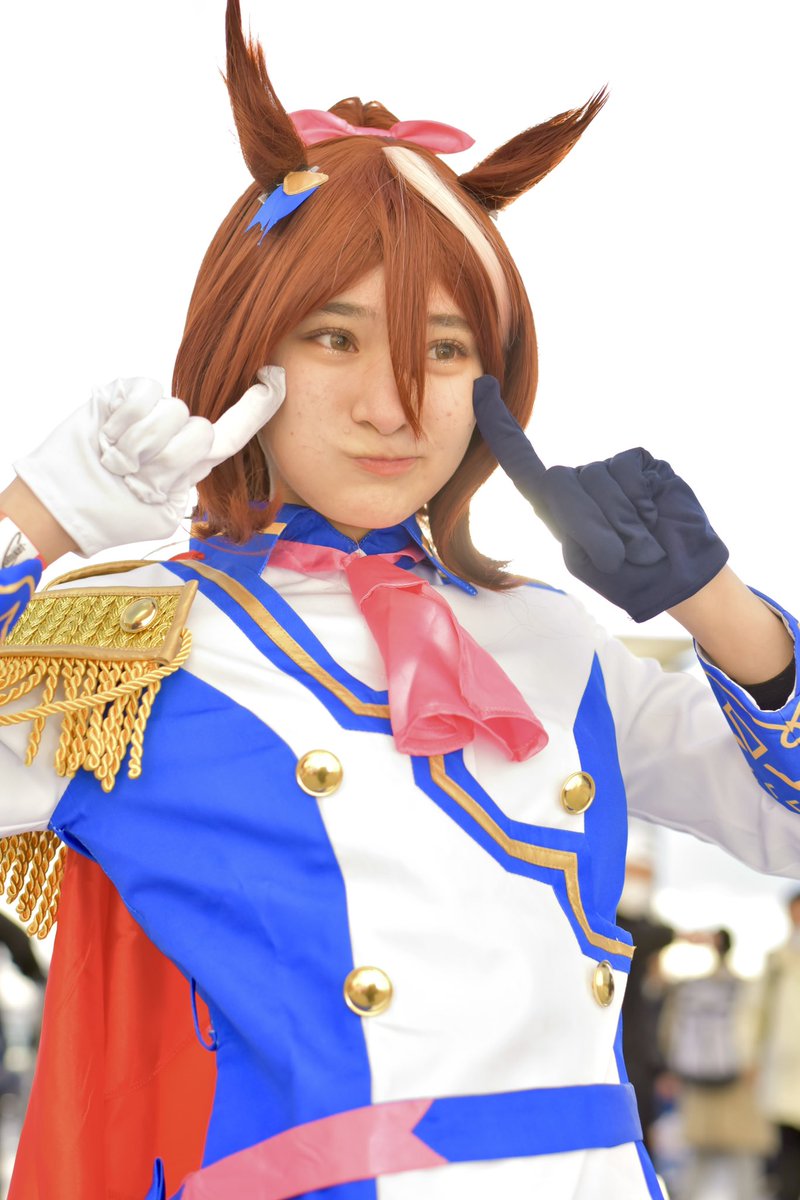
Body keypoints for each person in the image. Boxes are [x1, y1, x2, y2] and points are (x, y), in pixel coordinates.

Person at [0, 2, 799, 1197]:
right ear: (242, 351)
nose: (394, 405)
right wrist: (36, 518)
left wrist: (713, 603)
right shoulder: (126, 649)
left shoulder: (551, 635)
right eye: (335, 339)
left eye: (444, 348)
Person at [661, 928, 773, 1200]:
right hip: (735, 1079)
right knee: (740, 1155)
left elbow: (670, 1032)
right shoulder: (741, 987)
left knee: (701, 1155)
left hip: (703, 1078)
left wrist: (674, 1069)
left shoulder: (689, 988)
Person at [759, 892, 800, 1200]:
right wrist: (750, 1052)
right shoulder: (778, 959)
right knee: (787, 1147)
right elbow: (757, 1009)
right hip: (785, 1064)